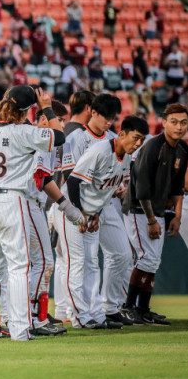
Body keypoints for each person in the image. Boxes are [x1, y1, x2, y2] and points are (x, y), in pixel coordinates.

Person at [0, 85, 69, 341]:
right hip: (12, 199)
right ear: (25, 110)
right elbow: (59, 137)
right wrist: (46, 107)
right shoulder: (25, 132)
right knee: (19, 266)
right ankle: (20, 328)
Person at [58, 115, 148, 330]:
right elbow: (73, 181)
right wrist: (79, 213)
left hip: (90, 211)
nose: (138, 144)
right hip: (71, 208)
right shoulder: (100, 151)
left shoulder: (126, 158)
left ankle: (94, 314)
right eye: (135, 138)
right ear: (122, 134)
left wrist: (96, 213)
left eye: (142, 140)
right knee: (76, 263)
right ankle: (79, 316)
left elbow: (105, 190)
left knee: (91, 264)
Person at [123, 103, 188, 325]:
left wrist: (177, 215)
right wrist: (151, 220)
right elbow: (141, 187)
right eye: (174, 122)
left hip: (158, 210)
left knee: (154, 261)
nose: (179, 127)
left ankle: (143, 309)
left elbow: (178, 186)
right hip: (138, 209)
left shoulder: (182, 149)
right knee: (146, 258)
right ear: (164, 122)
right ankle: (128, 307)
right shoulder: (152, 147)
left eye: (184, 122)